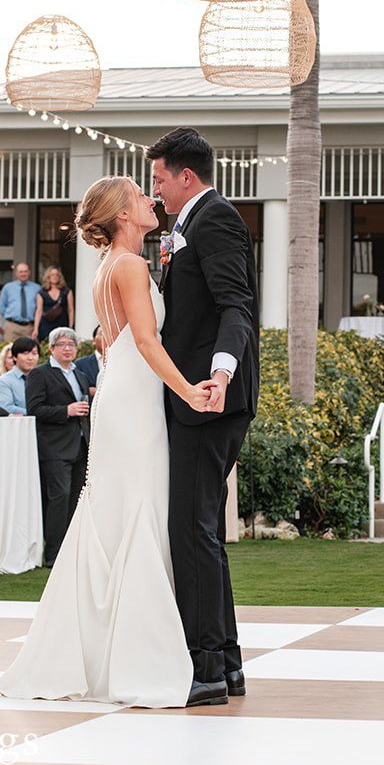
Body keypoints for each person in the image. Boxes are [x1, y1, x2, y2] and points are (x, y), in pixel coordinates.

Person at [0, 174, 215, 709]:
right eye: (142, 196)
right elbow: (144, 339)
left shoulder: (106, 268)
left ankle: (102, 654)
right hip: (134, 399)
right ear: (122, 214)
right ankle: (139, 660)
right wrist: (188, 390)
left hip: (123, 393)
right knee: (137, 509)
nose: (151, 199)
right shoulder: (132, 265)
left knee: (116, 513)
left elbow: (115, 341)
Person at [150, 128, 260, 705]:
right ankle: (227, 663)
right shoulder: (188, 224)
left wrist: (218, 375)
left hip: (205, 398)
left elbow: (234, 304)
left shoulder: (212, 219)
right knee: (202, 531)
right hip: (200, 396)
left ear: (185, 176)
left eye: (160, 178)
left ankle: (205, 670)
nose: (155, 190)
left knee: (191, 532)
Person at [27, 327, 92, 566]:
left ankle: (71, 550)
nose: (67, 349)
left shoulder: (81, 375)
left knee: (77, 498)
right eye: (62, 344)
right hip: (54, 446)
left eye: (72, 345)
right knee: (59, 497)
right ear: (52, 348)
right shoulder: (40, 374)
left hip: (80, 444)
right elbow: (34, 409)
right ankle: (53, 554)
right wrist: (66, 410)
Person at [0, 262, 43, 342]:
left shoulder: (37, 288)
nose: (23, 274)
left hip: (29, 327)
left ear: (29, 272)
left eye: (25, 271)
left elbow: (39, 308)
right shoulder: (8, 287)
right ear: (16, 273)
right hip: (12, 326)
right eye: (21, 272)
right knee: (9, 351)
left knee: (28, 351)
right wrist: (9, 316)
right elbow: (2, 305)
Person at [0, 337, 36, 414]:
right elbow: (6, 408)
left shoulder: (44, 378)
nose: (30, 358)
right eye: (25, 353)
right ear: (15, 357)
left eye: (34, 353)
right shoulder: (3, 381)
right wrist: (38, 413)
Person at [32, 266, 74, 342]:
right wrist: (35, 329)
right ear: (48, 277)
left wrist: (70, 326)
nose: (55, 277)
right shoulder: (42, 292)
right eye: (52, 275)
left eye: (57, 275)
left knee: (61, 343)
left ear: (60, 277)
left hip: (62, 324)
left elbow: (70, 310)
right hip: (45, 325)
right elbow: (39, 311)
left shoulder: (66, 291)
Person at [73, 326, 105, 392]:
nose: (105, 337)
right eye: (101, 333)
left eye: (108, 334)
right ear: (93, 341)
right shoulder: (81, 364)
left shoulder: (120, 363)